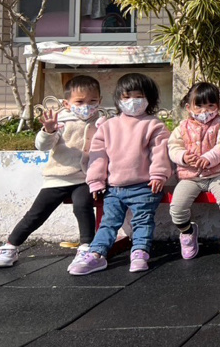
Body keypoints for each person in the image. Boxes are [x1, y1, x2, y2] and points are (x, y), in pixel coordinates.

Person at [0, 75, 102, 268]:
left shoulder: (102, 121)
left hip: (84, 178)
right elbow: (42, 146)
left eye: (92, 101)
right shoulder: (60, 121)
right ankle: (10, 246)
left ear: (100, 101)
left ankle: (86, 246)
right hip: (57, 177)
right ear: (67, 103)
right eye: (80, 102)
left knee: (82, 206)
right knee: (37, 213)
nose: (87, 106)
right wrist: (48, 131)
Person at [67, 73, 171, 275]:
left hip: (145, 187)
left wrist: (158, 175)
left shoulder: (154, 125)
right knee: (108, 222)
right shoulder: (108, 126)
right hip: (114, 189)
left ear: (149, 98)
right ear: (118, 99)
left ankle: (140, 252)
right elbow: (98, 155)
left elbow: (160, 152)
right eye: (126, 96)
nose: (132, 101)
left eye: (138, 96)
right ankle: (96, 254)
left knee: (142, 220)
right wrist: (96, 181)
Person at [167, 82, 220, 259]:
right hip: (190, 177)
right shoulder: (182, 127)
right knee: (177, 207)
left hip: (218, 174)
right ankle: (187, 232)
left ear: (218, 106)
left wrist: (209, 158)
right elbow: (173, 147)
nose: (205, 111)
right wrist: (183, 157)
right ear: (189, 107)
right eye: (199, 106)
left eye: (210, 105)